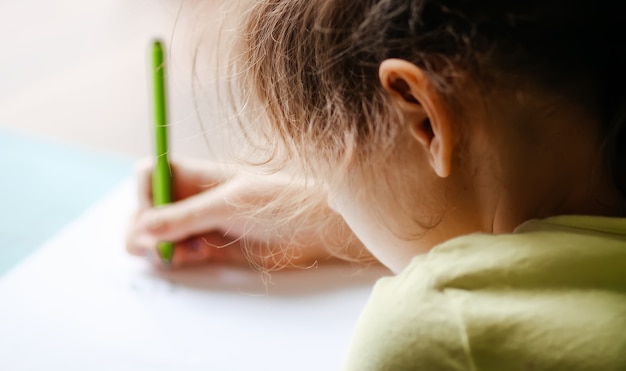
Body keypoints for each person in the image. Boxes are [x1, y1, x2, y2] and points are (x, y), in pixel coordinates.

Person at [126, 0, 626, 369]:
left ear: (424, 118)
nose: (337, 202)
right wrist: (330, 223)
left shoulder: (441, 330)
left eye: (330, 175)